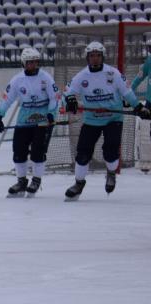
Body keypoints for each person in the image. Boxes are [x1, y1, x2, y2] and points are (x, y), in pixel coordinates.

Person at [62, 41, 142, 199]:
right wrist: (70, 101)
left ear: (102, 57)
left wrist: (138, 106)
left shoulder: (113, 73)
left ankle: (111, 173)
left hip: (114, 118)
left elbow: (127, 92)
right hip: (92, 120)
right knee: (83, 153)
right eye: (92, 56)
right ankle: (79, 183)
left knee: (110, 151)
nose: (95, 59)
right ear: (87, 57)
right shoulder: (81, 76)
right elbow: (67, 93)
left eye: (98, 55)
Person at [0, 47, 60, 197]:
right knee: (18, 152)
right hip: (24, 120)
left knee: (37, 152)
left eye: (35, 62)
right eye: (29, 63)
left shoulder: (46, 78)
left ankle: (36, 180)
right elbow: (7, 99)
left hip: (43, 120)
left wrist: (51, 113)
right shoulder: (17, 80)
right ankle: (21, 181)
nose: (32, 65)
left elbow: (55, 97)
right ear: (23, 63)